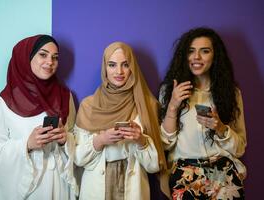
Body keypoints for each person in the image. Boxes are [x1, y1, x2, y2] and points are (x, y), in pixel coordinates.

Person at [0, 35, 78, 200]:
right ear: (26, 57)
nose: (50, 61)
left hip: (58, 186)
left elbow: (75, 138)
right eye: (43, 54)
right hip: (28, 189)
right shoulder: (4, 102)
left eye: (55, 57)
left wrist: (65, 139)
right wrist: (27, 144)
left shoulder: (64, 96)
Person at [74, 42, 170, 200]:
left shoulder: (146, 104)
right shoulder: (89, 105)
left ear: (132, 67)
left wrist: (140, 140)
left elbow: (154, 166)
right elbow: (77, 158)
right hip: (96, 187)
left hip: (134, 187)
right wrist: (101, 140)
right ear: (105, 68)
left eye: (125, 64)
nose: (119, 71)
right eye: (112, 65)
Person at [159, 27, 246, 199]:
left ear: (215, 56)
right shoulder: (169, 91)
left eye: (204, 51)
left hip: (222, 174)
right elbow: (164, 146)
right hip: (184, 174)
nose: (196, 57)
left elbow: (240, 148)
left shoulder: (231, 93)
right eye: (191, 51)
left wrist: (221, 128)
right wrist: (172, 106)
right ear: (184, 56)